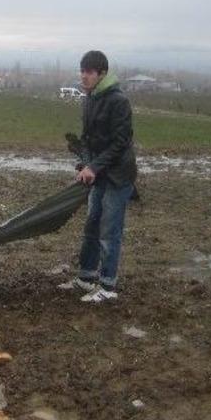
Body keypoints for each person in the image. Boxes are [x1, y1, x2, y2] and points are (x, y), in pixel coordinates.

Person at [58, 50, 138, 303]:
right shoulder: (89, 98)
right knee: (92, 225)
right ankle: (85, 277)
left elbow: (120, 144)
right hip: (99, 173)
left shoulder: (118, 101)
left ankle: (107, 285)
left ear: (102, 74)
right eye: (82, 71)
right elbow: (91, 139)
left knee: (109, 231)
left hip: (117, 176)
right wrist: (84, 161)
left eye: (89, 72)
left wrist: (94, 167)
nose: (84, 76)